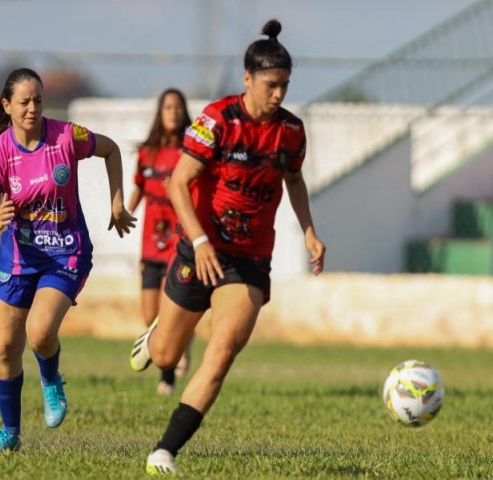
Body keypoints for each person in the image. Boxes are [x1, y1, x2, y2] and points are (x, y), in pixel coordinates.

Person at [129, 19, 326, 474]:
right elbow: (178, 183)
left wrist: (310, 230)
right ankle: (156, 335)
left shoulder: (291, 133)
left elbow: (294, 179)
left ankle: (165, 451)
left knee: (221, 352)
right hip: (200, 249)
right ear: (248, 79)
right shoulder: (217, 121)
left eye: (285, 86)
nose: (279, 94)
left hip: (250, 260)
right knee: (164, 356)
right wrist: (198, 241)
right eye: (271, 85)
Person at [0, 68, 136, 454]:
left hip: (65, 253)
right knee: (4, 349)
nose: (33, 108)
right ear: (7, 106)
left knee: (40, 332)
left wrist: (117, 203)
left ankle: (51, 382)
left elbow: (112, 149)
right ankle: (10, 432)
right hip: (19, 258)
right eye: (24, 102)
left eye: (38, 100)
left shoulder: (67, 136)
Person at [127, 88, 192, 395]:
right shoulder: (147, 152)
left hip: (177, 244)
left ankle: (166, 377)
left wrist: (179, 188)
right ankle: (182, 344)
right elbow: (139, 187)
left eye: (178, 107)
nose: (173, 112)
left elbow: (198, 191)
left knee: (169, 313)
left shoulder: (190, 151)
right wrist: (124, 212)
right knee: (149, 317)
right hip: (150, 245)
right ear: (160, 111)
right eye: (168, 106)